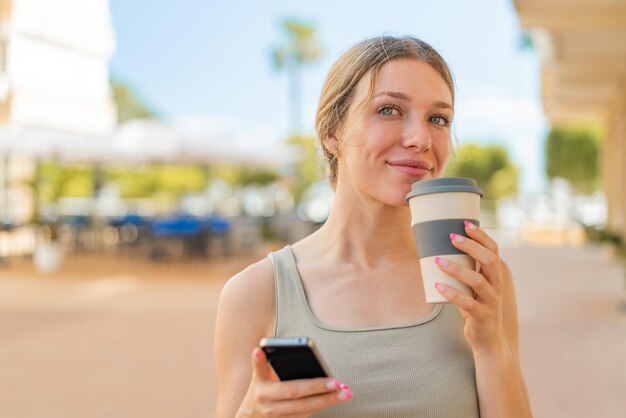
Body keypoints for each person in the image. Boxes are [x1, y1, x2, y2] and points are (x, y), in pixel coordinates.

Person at [215, 35, 533, 418]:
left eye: (438, 119)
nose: (420, 139)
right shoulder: (256, 292)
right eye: (389, 110)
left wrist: (489, 345)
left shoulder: (478, 280)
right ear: (332, 133)